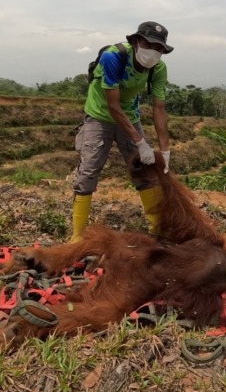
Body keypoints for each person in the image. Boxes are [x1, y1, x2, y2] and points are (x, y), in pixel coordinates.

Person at [71, 21, 173, 241]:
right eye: (149, 44)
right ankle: (77, 235)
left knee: (144, 171)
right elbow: (113, 106)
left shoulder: (158, 69)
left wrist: (165, 150)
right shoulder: (113, 57)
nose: (154, 52)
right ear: (136, 41)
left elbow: (159, 109)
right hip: (100, 114)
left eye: (159, 49)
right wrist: (140, 142)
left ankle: (157, 229)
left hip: (130, 115)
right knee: (89, 170)